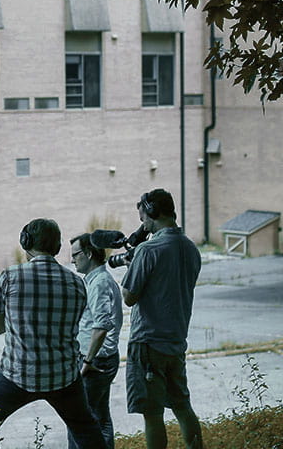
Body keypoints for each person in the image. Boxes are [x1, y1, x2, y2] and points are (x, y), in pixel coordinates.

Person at [0, 219, 107, 449]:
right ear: (56, 247)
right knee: (87, 430)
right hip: (63, 377)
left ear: (26, 243)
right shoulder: (77, 283)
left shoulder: (10, 276)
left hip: (16, 375)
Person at [121, 189, 204, 449]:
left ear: (153, 214)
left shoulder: (148, 250)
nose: (142, 224)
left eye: (143, 218)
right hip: (176, 342)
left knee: (153, 414)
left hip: (148, 343)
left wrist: (131, 265)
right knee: (182, 406)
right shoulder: (191, 249)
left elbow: (129, 296)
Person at [69, 231, 124, 449]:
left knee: (79, 421)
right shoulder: (97, 279)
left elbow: (101, 327)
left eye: (76, 254)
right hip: (103, 358)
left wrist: (87, 361)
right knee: (100, 418)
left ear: (89, 254)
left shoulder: (99, 282)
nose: (72, 259)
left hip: (95, 361)